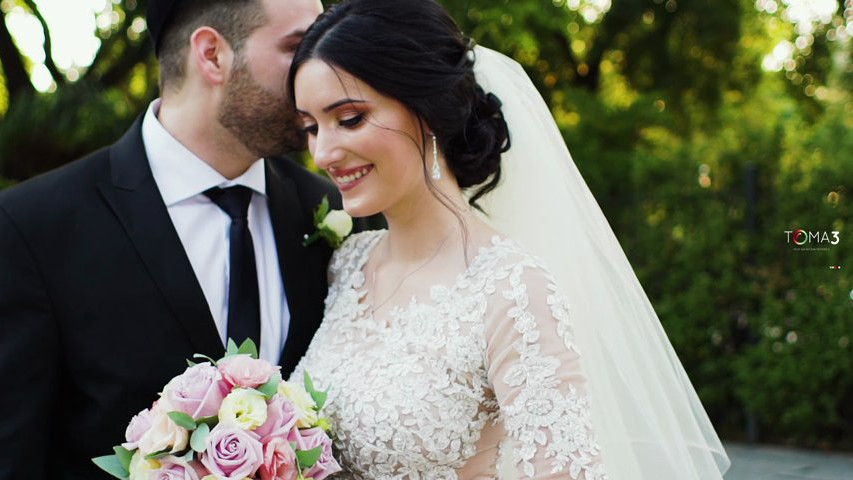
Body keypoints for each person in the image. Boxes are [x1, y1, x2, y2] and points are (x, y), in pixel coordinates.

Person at [289, 0, 731, 478]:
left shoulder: (512, 290)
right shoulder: (347, 263)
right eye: (311, 127)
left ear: (428, 111)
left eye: (349, 118)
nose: (324, 152)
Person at [0, 0, 353, 477]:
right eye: (299, 46)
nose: (325, 71)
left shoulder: (339, 211)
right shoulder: (33, 226)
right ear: (211, 55)